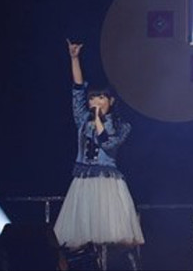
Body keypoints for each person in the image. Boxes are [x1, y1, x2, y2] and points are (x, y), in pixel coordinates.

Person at [54, 39, 144, 269]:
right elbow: (77, 90)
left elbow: (108, 144)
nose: (95, 101)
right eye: (93, 98)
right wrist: (74, 58)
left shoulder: (122, 126)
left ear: (111, 101)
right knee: (77, 240)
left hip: (108, 185)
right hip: (84, 182)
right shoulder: (83, 121)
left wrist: (98, 120)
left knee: (117, 241)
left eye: (101, 97)